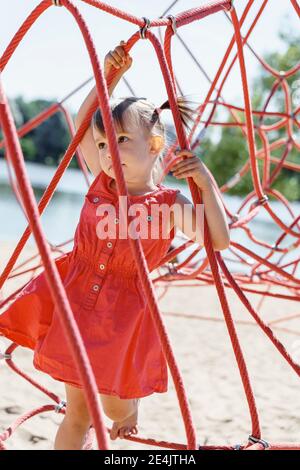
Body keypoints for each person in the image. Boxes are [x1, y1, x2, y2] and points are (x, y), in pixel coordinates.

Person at [0, 40, 229, 449]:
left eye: (121, 141)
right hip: (76, 304)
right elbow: (85, 123)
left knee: (114, 410)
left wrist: (206, 183)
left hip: (122, 317)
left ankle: (131, 405)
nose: (107, 152)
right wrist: (111, 77)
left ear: (155, 146)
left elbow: (218, 239)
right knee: (77, 413)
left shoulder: (168, 205)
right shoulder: (100, 184)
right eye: (104, 145)